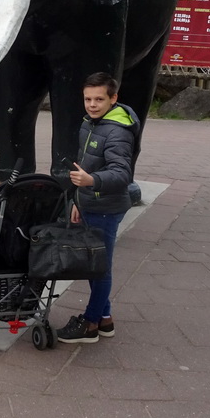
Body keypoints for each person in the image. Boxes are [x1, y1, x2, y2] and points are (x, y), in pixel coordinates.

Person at [56, 72, 140, 344]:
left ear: (113, 98)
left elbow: (122, 173)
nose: (92, 104)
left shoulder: (117, 131)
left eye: (99, 99)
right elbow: (85, 164)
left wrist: (92, 181)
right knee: (95, 264)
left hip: (106, 207)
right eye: (87, 99)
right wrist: (79, 200)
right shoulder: (91, 123)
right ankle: (105, 320)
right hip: (91, 202)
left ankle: (90, 323)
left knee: (100, 268)